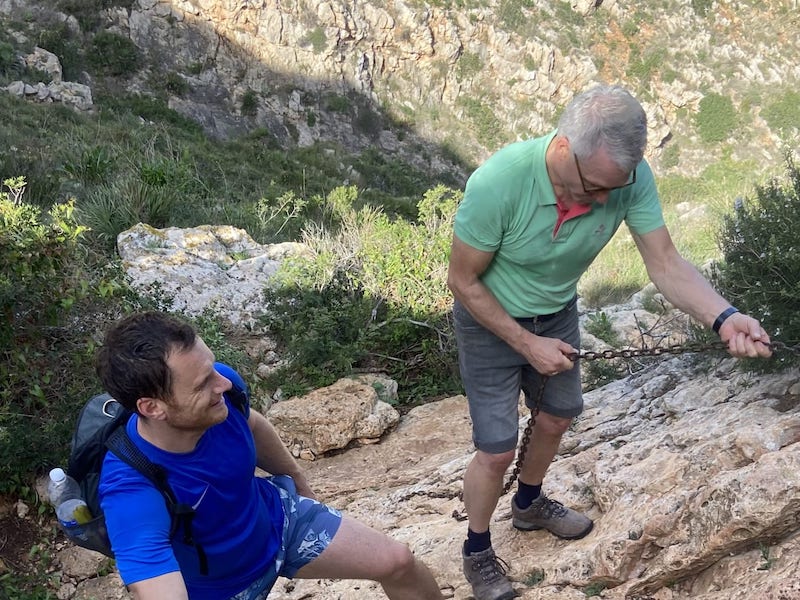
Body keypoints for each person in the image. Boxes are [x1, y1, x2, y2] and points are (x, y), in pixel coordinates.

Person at [447, 83, 772, 600]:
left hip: (556, 311)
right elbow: (462, 282)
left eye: (611, 190)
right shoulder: (498, 184)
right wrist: (527, 345)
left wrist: (724, 317)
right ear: (562, 149)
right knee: (496, 448)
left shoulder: (627, 180)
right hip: (489, 317)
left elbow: (664, 262)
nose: (603, 201)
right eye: (594, 188)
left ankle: (528, 505)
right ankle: (478, 549)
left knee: (557, 416)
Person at [95, 311, 445, 600]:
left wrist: (297, 479)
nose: (224, 383)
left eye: (213, 368)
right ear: (152, 407)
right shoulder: (131, 490)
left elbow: (252, 425)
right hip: (223, 590)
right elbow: (156, 585)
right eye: (203, 384)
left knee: (398, 561)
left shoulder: (223, 395)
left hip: (278, 522)